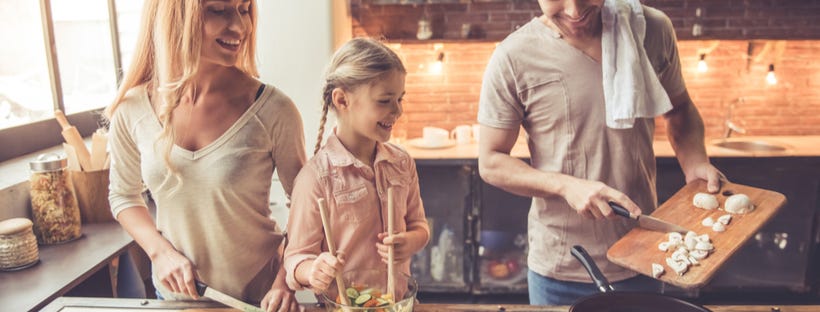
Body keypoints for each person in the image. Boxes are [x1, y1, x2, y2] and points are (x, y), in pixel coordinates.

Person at [477, 0, 725, 306]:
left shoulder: (652, 29)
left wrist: (695, 161)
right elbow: (491, 162)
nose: (574, 11)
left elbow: (680, 109)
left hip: (645, 255)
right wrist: (565, 185)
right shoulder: (513, 56)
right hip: (560, 268)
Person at [106, 0, 306, 311]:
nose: (240, 26)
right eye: (218, 10)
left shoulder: (274, 109)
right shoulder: (132, 108)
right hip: (177, 300)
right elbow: (123, 195)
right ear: (176, 19)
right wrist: (160, 253)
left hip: (261, 298)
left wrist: (284, 282)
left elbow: (306, 209)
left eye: (243, 9)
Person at [283, 38, 430, 297]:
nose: (398, 110)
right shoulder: (315, 178)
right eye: (385, 101)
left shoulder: (402, 163)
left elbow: (420, 226)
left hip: (396, 303)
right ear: (342, 100)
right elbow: (295, 259)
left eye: (399, 99)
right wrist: (313, 269)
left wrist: (410, 242)